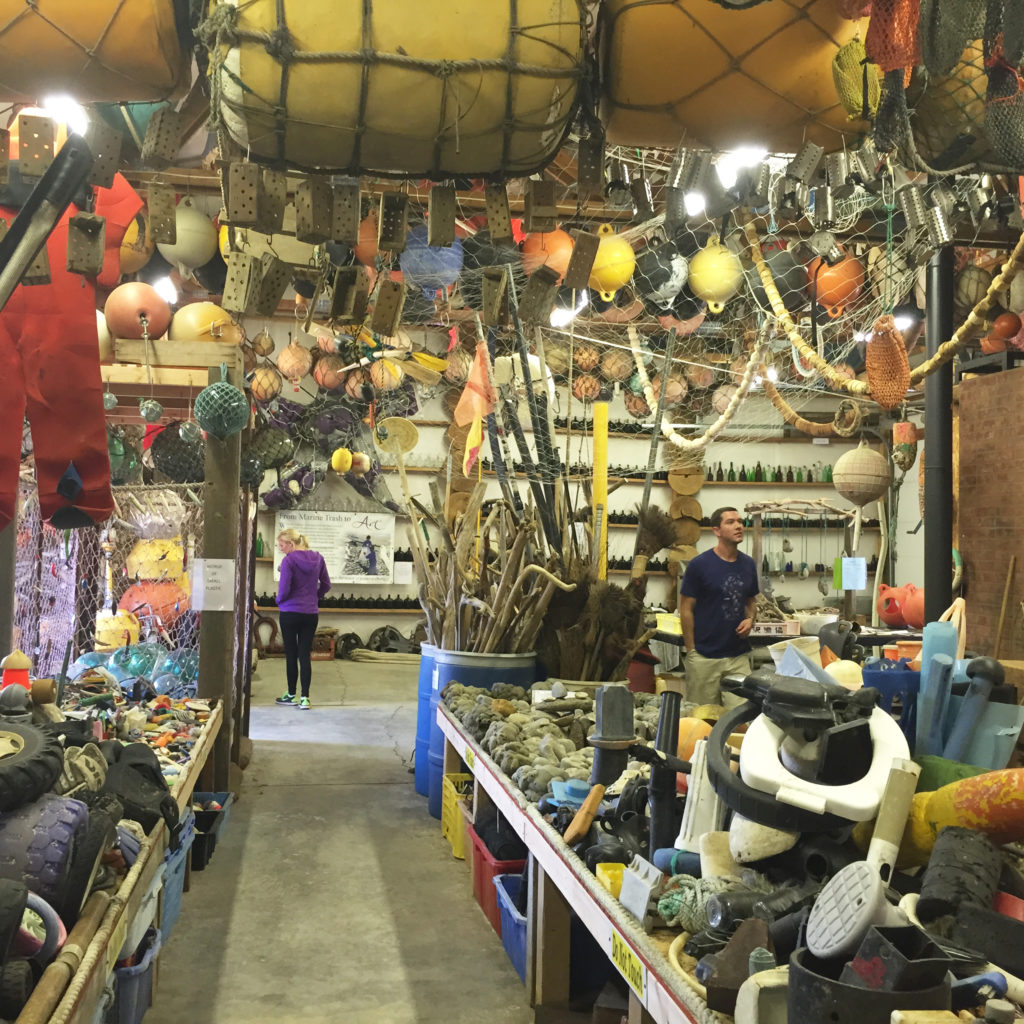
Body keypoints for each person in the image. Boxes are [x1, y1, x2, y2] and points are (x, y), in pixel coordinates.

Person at [679, 506, 759, 705]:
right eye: (730, 522)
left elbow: (751, 601)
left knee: (742, 717)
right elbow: (685, 609)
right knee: (702, 720)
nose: (739, 526)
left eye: (740, 521)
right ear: (716, 531)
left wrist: (750, 619)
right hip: (705, 657)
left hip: (738, 657)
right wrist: (692, 652)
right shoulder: (700, 565)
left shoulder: (748, 564)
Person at [274, 529, 331, 709]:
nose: (281, 549)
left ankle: (291, 695)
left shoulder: (289, 561)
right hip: (310, 613)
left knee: (291, 654)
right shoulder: (318, 558)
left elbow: (284, 588)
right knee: (304, 655)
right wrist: (315, 597)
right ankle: (305, 698)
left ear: (291, 543)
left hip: (290, 612)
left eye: (282, 545)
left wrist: (279, 601)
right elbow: (327, 585)